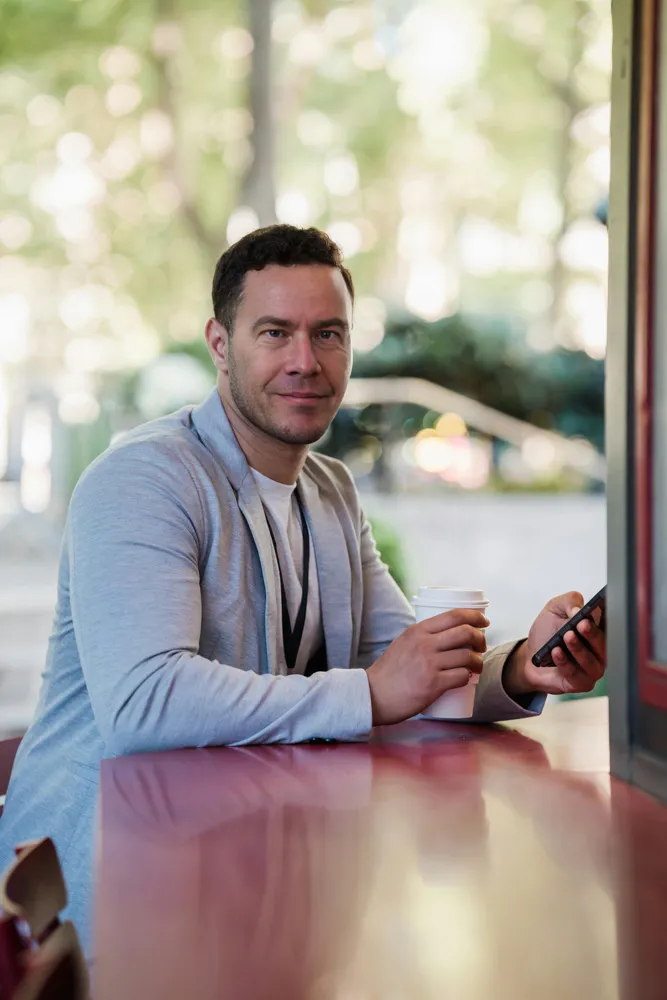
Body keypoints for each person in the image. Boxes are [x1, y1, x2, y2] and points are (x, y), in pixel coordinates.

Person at [0, 224, 606, 874]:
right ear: (219, 345)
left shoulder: (328, 489)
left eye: (328, 333)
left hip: (245, 854)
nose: (305, 361)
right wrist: (368, 693)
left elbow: (407, 669)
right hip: (104, 884)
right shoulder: (142, 479)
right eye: (273, 332)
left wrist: (520, 668)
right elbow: (144, 702)